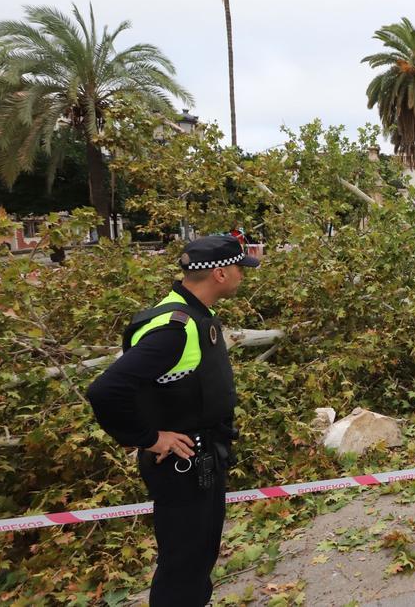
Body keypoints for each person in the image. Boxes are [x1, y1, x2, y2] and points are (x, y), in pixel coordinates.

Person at [86, 236, 259, 606]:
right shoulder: (173, 330)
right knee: (183, 567)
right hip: (181, 466)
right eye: (240, 269)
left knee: (197, 561)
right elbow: (105, 391)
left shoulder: (192, 313)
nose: (243, 276)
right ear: (220, 273)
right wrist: (150, 438)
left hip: (204, 459)